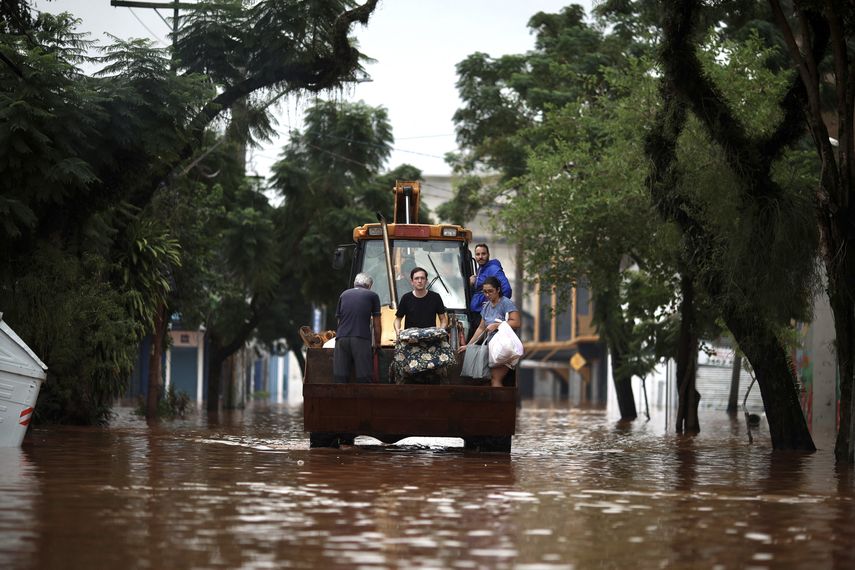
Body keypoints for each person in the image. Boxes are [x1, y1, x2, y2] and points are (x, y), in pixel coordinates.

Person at [459, 276, 520, 387]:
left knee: (495, 378)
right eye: (485, 292)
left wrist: (497, 325)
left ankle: (499, 404)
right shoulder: (487, 305)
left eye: (490, 291)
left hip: (505, 348)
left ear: (498, 290)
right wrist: (469, 345)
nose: (487, 294)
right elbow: (481, 328)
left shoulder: (506, 303)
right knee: (488, 379)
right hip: (492, 349)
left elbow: (516, 322)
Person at [333, 273, 382, 384]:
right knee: (364, 378)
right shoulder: (372, 296)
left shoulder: (344, 294)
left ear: (355, 283)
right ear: (369, 285)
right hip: (361, 338)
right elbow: (376, 323)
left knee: (340, 378)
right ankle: (364, 401)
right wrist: (378, 343)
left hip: (341, 339)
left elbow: (339, 320)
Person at [469, 243, 512, 332]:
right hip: (478, 312)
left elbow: (507, 289)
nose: (480, 257)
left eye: (483, 254)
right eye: (478, 254)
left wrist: (495, 306)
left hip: (486, 314)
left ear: (488, 255)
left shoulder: (493, 268)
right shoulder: (481, 269)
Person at [394, 266, 448, 334]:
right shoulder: (406, 298)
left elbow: (443, 320)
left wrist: (441, 331)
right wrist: (397, 330)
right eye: (416, 278)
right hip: (411, 339)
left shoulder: (435, 297)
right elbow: (398, 319)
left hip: (430, 338)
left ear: (426, 281)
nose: (419, 281)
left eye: (422, 278)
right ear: (412, 282)